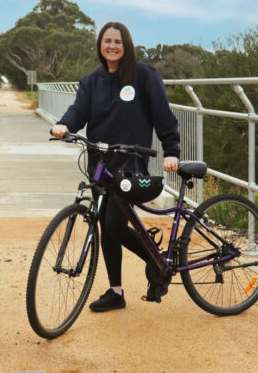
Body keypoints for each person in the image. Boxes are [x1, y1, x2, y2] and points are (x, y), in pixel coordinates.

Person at [51, 21, 180, 312]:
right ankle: (116, 292)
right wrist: (63, 124)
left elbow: (163, 115)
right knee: (104, 227)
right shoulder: (91, 81)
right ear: (100, 45)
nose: (112, 46)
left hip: (130, 164)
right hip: (100, 164)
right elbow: (78, 111)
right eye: (107, 41)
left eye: (118, 41)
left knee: (113, 224)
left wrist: (171, 150)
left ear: (127, 45)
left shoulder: (143, 75)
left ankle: (154, 260)